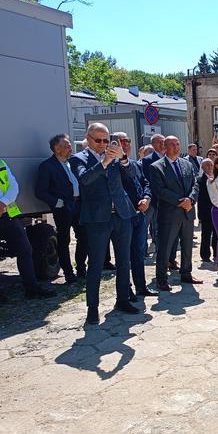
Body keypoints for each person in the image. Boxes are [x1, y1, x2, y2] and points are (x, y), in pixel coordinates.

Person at [72, 123, 138, 324]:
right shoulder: (79, 158)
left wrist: (123, 158)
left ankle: (123, 299)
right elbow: (84, 180)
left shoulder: (116, 156)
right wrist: (104, 162)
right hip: (97, 218)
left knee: (124, 260)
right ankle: (93, 307)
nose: (102, 144)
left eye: (106, 140)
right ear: (88, 139)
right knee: (96, 264)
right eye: (98, 140)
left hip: (121, 214)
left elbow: (133, 175)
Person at [0, 146, 55, 308]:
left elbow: (13, 184)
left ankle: (32, 289)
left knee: (25, 250)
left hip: (8, 214)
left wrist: (3, 202)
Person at [149, 135, 203, 290]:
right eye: (171, 144)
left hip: (187, 212)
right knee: (165, 248)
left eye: (178, 144)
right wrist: (182, 201)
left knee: (187, 246)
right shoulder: (156, 167)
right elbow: (160, 191)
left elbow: (195, 185)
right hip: (169, 214)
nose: (176, 147)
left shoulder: (187, 164)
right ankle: (161, 278)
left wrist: (191, 200)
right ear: (164, 147)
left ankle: (186, 273)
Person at [35, 134, 85, 283]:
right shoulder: (47, 166)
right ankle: (68, 273)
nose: (70, 147)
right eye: (67, 145)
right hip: (63, 208)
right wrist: (58, 203)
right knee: (64, 240)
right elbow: (40, 192)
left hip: (78, 205)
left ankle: (81, 268)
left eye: (70, 145)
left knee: (84, 237)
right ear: (57, 148)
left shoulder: (71, 163)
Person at [115, 132, 159, 300]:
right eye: (120, 142)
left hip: (139, 214)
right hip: (122, 216)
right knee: (124, 255)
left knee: (139, 251)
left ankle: (141, 286)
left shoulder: (135, 164)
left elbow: (146, 183)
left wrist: (147, 198)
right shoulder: (111, 166)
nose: (125, 144)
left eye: (127, 141)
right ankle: (127, 290)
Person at [141, 134, 165, 256]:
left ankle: (161, 250)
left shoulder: (169, 158)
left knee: (160, 227)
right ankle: (143, 251)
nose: (162, 144)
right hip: (151, 199)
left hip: (165, 200)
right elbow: (147, 180)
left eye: (163, 141)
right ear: (153, 145)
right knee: (144, 226)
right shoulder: (147, 160)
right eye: (158, 142)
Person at [197, 158, 218, 261]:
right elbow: (200, 199)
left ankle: (217, 253)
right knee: (206, 234)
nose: (210, 167)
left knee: (217, 234)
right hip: (206, 212)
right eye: (207, 165)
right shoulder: (199, 180)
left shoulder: (217, 179)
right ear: (202, 167)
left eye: (211, 165)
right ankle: (205, 255)